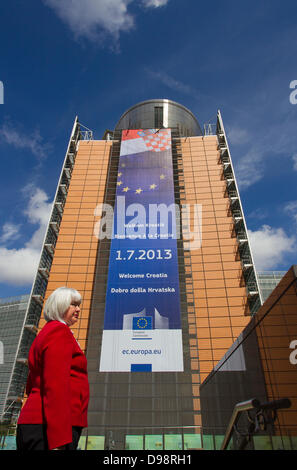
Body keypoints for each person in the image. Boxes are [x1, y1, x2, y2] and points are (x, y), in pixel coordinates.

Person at [16, 287, 89, 451]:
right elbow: (55, 385)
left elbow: (31, 383)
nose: (78, 309)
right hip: (51, 427)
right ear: (60, 306)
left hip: (35, 421)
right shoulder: (59, 332)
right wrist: (59, 439)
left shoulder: (45, 333)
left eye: (79, 305)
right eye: (73, 305)